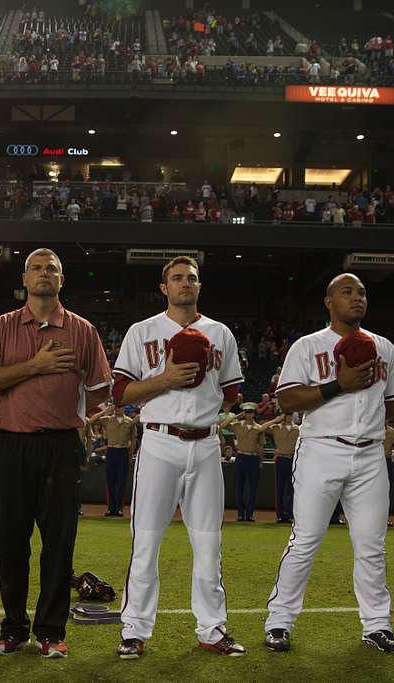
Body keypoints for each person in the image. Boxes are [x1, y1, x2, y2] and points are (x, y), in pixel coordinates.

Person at [0, 248, 111, 659]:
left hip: (62, 446)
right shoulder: (1, 326)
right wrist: (37, 365)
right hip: (12, 444)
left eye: (52, 268)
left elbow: (101, 390)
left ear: (61, 280)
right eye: (37, 268)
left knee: (59, 543)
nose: (44, 273)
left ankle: (51, 630)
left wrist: (85, 414)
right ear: (25, 279)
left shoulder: (83, 330)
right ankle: (13, 627)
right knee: (11, 541)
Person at [264, 273, 394, 654]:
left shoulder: (384, 347)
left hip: (369, 454)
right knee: (306, 540)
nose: (357, 298)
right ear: (329, 302)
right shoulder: (308, 345)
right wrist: (338, 386)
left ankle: (377, 625)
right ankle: (279, 621)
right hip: (321, 450)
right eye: (347, 292)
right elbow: (287, 402)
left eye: (362, 292)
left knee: (371, 546)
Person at [110, 255, 246, 660]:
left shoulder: (219, 333)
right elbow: (120, 394)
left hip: (205, 445)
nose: (185, 283)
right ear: (164, 287)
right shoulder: (143, 331)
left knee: (209, 544)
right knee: (146, 542)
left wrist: (200, 406)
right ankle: (134, 630)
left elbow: (233, 393)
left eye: (192, 278)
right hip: (160, 442)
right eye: (177, 278)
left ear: (199, 286)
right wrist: (166, 380)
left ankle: (212, 629)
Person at [229, 405, 283, 522]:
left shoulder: (258, 428)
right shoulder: (237, 425)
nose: (249, 414)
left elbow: (261, 447)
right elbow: (221, 425)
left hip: (253, 458)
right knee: (239, 487)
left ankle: (249, 514)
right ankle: (240, 514)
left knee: (253, 487)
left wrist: (261, 461)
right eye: (247, 412)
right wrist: (238, 415)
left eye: (251, 412)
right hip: (241, 456)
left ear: (254, 414)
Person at [95, 403, 137, 517]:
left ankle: (119, 508)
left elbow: (133, 439)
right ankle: (110, 508)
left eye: (121, 406)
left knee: (121, 482)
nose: (120, 409)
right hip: (111, 450)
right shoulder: (107, 419)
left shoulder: (129, 421)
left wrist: (130, 454)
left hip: (123, 451)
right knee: (110, 481)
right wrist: (106, 411)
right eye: (118, 406)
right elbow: (92, 420)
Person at [268, 413, 299, 523]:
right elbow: (263, 428)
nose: (289, 417)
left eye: (291, 414)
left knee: (291, 488)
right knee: (280, 488)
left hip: (292, 459)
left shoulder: (297, 429)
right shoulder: (276, 427)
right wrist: (276, 419)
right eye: (287, 415)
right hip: (281, 459)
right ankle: (280, 515)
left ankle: (290, 514)